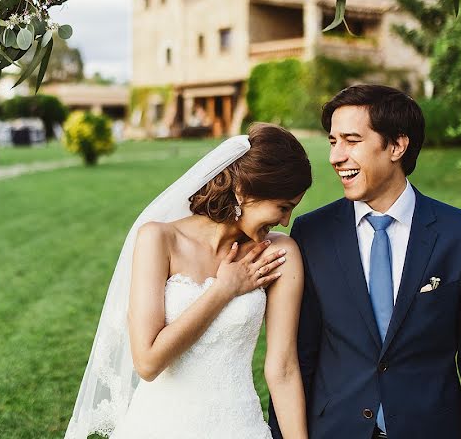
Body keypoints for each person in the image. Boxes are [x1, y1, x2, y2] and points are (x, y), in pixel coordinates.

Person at [268, 85, 461, 439]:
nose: (336, 156)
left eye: (351, 140)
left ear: (397, 146)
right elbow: (296, 356)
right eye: (333, 141)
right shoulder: (311, 233)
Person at [66, 123, 313, 439]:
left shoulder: (279, 253)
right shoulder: (159, 239)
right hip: (157, 427)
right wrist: (224, 290)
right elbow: (148, 361)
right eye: (282, 207)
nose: (285, 221)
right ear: (245, 192)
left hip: (239, 427)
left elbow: (283, 369)